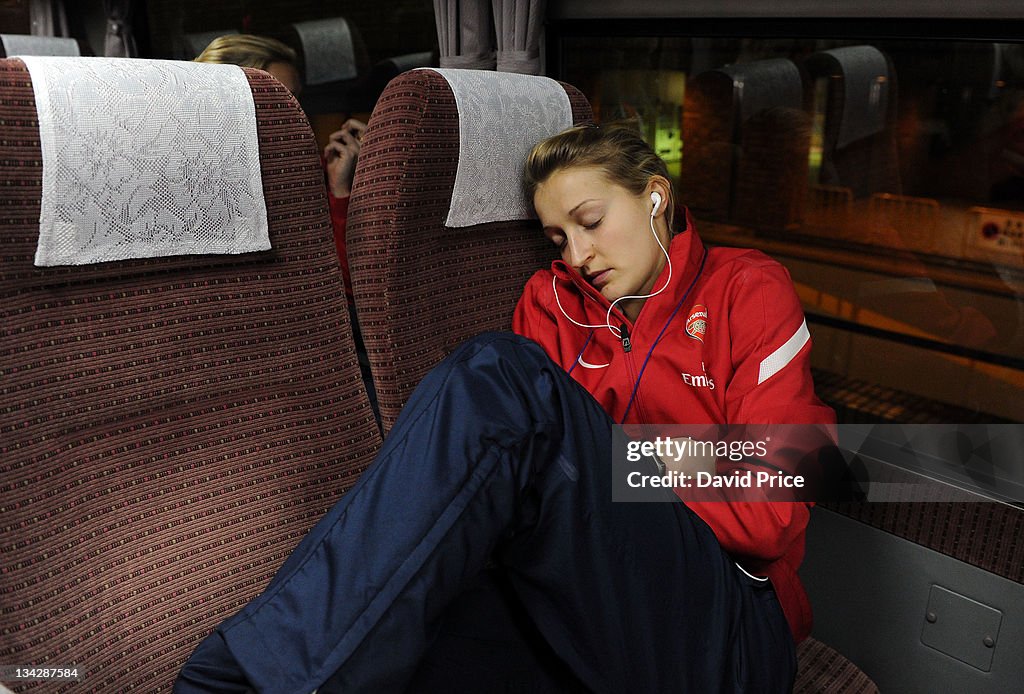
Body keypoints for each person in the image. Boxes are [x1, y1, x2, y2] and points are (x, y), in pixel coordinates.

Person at [175, 123, 835, 693]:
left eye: (591, 222)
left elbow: (773, 506)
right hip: (588, 610)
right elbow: (521, 483)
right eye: (557, 238)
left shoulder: (747, 290)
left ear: (654, 195)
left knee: (502, 372)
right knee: (418, 643)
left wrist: (611, 461)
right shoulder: (550, 302)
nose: (577, 256)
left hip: (731, 629)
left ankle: (241, 673)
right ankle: (278, 669)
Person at [194, 34, 365, 304]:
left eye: (297, 100)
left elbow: (355, 288)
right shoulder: (198, 189)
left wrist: (340, 190)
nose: (297, 114)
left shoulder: (312, 171)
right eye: (281, 101)